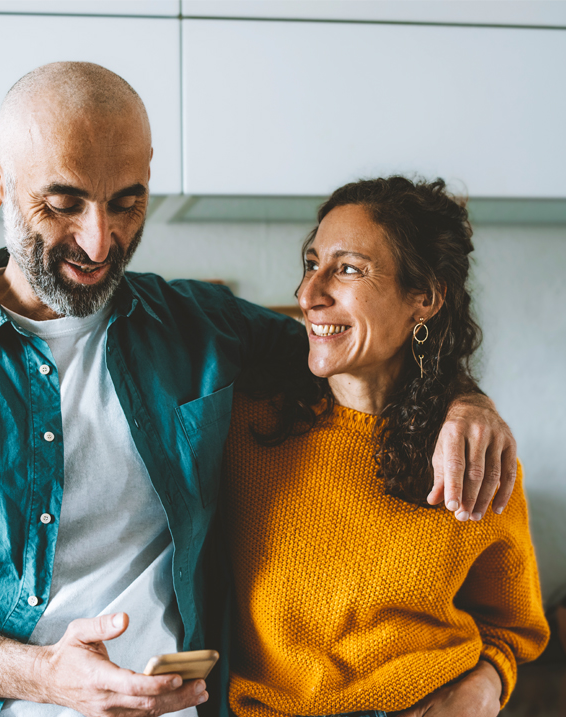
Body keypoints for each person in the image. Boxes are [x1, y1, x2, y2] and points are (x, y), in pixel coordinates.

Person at [0, 63, 515, 717]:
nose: (98, 240)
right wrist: (44, 674)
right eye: (63, 204)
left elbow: (359, 353)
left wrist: (464, 398)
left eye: (127, 201)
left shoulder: (204, 328)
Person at [222, 177, 549, 717]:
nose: (309, 294)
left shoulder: (473, 451)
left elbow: (512, 628)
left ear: (424, 299)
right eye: (311, 263)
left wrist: (486, 685)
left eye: (348, 269)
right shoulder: (245, 427)